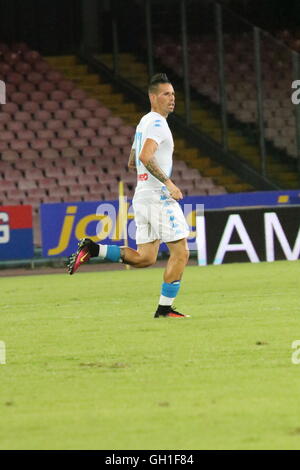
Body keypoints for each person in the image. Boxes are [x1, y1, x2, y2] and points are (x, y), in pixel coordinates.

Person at [67, 73, 190, 318]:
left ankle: (94, 250)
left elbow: (131, 161)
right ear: (153, 97)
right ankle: (165, 310)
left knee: (145, 258)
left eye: (173, 94)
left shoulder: (144, 122)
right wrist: (169, 183)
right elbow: (144, 157)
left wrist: (149, 169)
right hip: (157, 196)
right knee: (181, 252)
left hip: (143, 195)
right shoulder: (157, 123)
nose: (172, 98)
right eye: (166, 94)